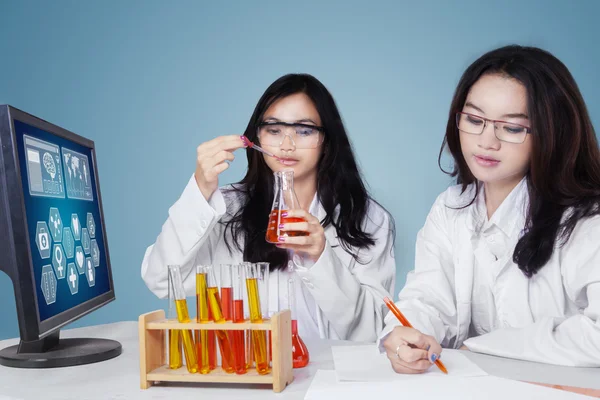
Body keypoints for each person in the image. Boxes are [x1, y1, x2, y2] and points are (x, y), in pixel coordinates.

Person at [381, 45, 600, 373]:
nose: (486, 140)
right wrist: (407, 335)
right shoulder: (451, 207)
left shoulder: (585, 220)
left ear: (553, 133)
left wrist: (482, 347)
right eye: (474, 119)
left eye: (511, 128)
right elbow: (428, 297)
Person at [142, 73, 395, 341]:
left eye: (304, 130)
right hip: (250, 375)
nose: (287, 145)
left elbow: (373, 332)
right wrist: (200, 190)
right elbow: (161, 280)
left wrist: (322, 257)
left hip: (330, 379)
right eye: (274, 130)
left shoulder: (368, 219)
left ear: (327, 139)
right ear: (256, 138)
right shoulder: (225, 209)